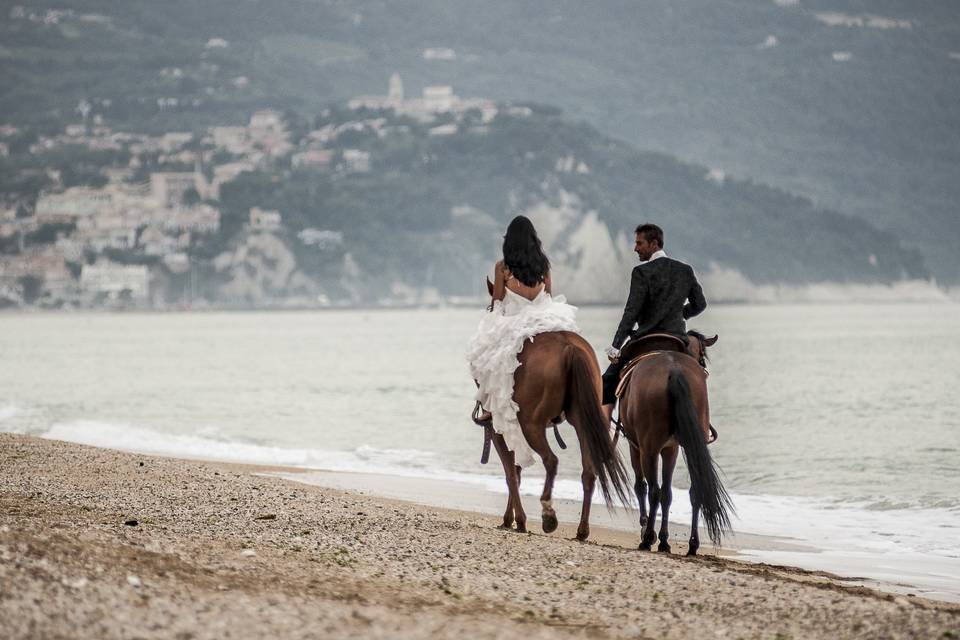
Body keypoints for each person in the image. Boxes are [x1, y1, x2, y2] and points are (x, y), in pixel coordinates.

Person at [466, 215, 580, 468]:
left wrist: (497, 309)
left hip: (516, 319)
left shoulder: (503, 267)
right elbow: (548, 296)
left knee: (481, 356)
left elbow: (497, 301)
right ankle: (564, 405)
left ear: (510, 241)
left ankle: (489, 406)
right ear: (533, 240)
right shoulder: (544, 265)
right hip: (545, 316)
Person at [601, 223, 706, 424]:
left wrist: (615, 346)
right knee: (699, 374)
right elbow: (700, 304)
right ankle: (703, 425)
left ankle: (603, 431)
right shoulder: (684, 270)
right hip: (676, 340)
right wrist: (681, 314)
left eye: (639, 243)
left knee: (608, 380)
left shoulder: (641, 272)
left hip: (646, 340)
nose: (635, 248)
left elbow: (631, 313)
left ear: (654, 244)